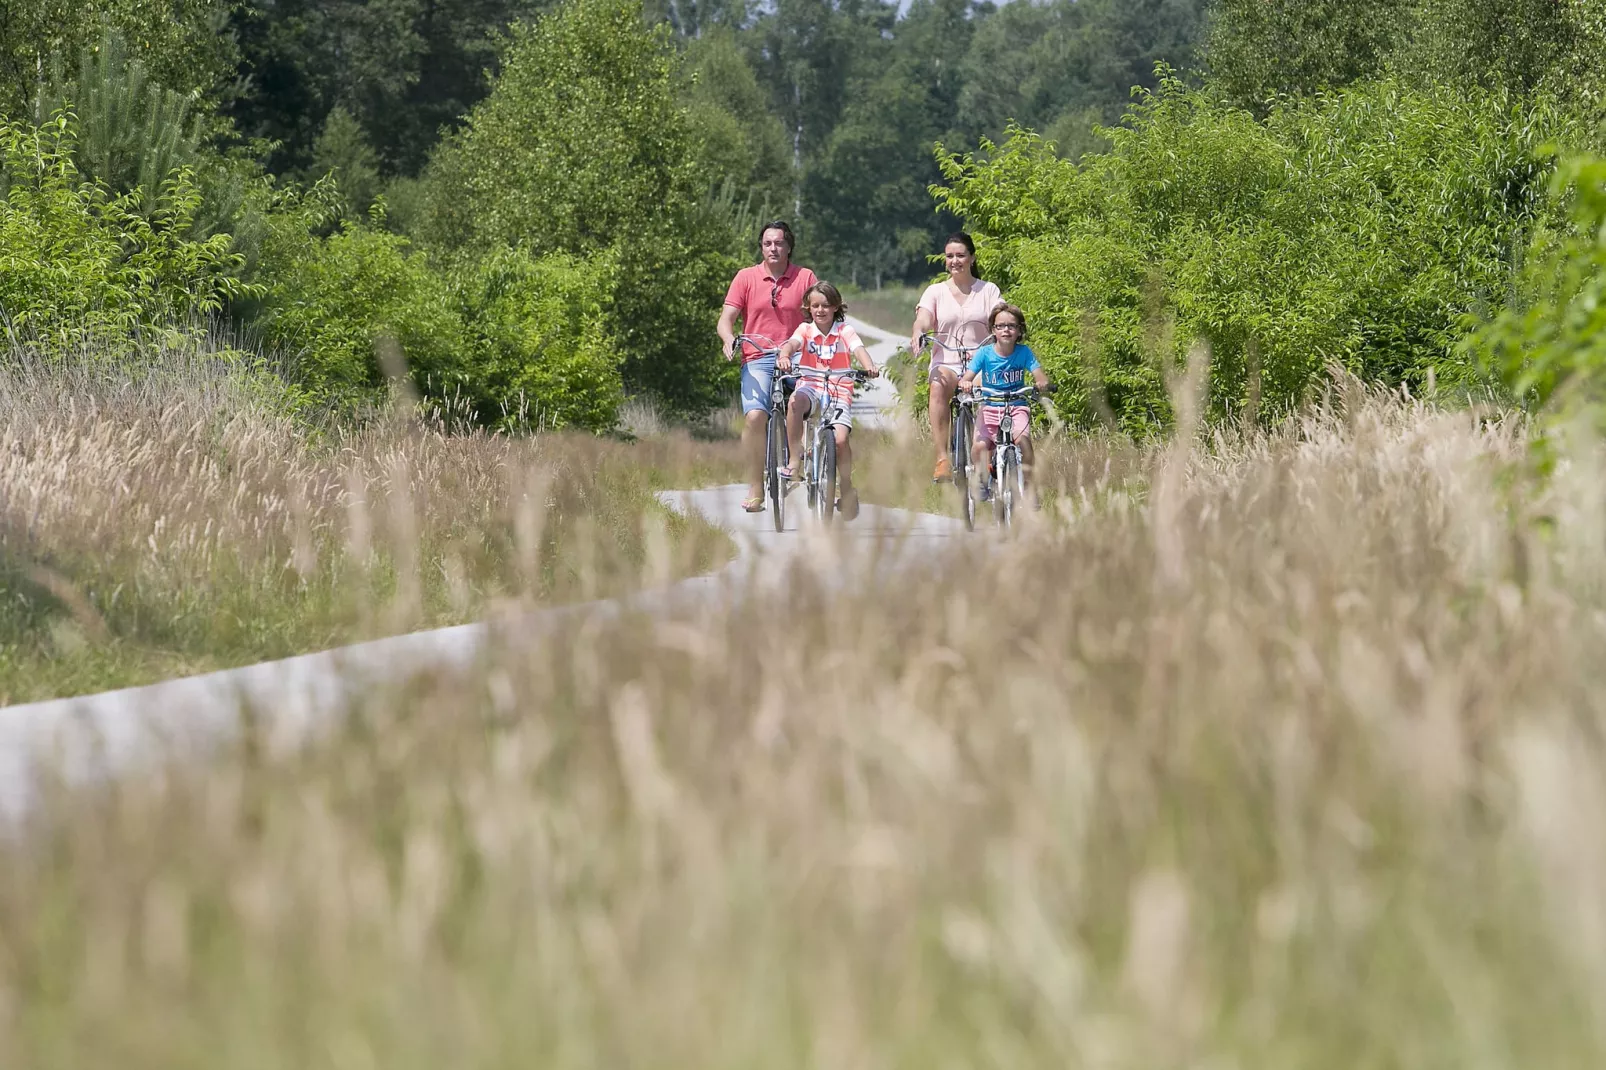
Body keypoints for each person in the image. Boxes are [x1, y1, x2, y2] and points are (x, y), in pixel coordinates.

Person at [717, 220, 819, 513]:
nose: (773, 248)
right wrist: (728, 338)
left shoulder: (804, 276)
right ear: (761, 247)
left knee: (806, 403)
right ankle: (755, 485)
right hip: (757, 354)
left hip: (797, 354)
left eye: (779, 243)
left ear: (789, 247)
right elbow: (727, 318)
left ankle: (803, 458)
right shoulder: (746, 278)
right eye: (767, 243)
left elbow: (820, 311)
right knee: (754, 417)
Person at [776, 282, 880, 521]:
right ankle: (794, 459)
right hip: (810, 386)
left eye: (826, 305)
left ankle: (845, 486)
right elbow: (791, 345)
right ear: (808, 308)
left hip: (838, 389)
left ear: (835, 307)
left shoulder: (845, 330)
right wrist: (784, 355)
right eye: (815, 306)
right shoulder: (804, 330)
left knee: (841, 440)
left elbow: (859, 349)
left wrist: (868, 366)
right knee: (794, 402)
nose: (820, 310)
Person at [908, 233, 1002, 482]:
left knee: (988, 390)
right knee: (938, 386)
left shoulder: (988, 290)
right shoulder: (935, 291)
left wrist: (1005, 329)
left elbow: (999, 316)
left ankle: (983, 452)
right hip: (947, 360)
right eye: (950, 256)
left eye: (960, 255)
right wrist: (919, 332)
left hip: (981, 361)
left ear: (971, 257)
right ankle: (942, 459)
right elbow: (924, 318)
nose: (955, 261)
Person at [959, 303, 1050, 506]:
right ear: (993, 330)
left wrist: (1041, 382)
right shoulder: (984, 353)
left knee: (1024, 442)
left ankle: (1028, 486)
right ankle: (982, 478)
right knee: (979, 447)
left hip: (1016, 406)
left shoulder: (1024, 352)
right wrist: (965, 382)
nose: (1006, 330)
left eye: (1011, 325)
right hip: (990, 407)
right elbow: (968, 376)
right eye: (1000, 326)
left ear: (1019, 330)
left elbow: (1038, 373)